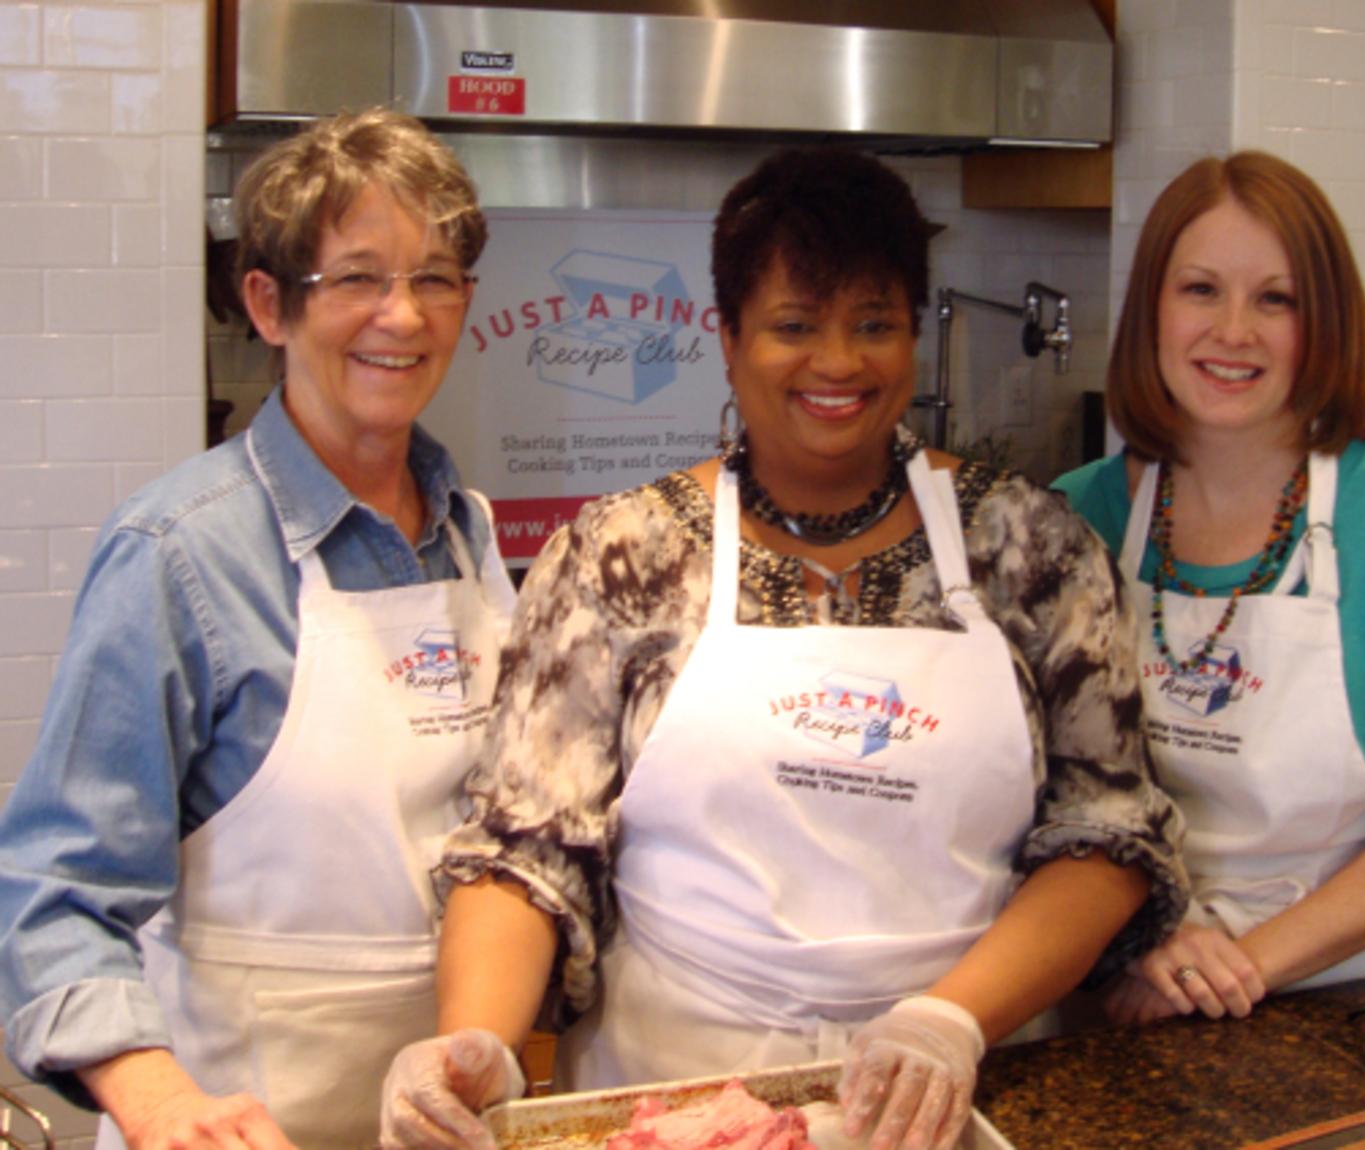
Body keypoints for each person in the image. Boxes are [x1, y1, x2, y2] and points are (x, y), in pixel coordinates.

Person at [378, 147, 1189, 1150]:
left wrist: (946, 1019)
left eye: (874, 324)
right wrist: (477, 1044)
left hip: (963, 1088)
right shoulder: (621, 554)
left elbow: (1105, 832)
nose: (838, 362)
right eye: (794, 325)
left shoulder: (1031, 550)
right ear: (726, 338)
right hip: (673, 1097)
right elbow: (527, 845)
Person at [0, 108, 515, 1149]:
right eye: (358, 277)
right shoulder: (178, 553)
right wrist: (161, 1105)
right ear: (269, 305)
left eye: (434, 277)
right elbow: (52, 901)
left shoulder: (468, 531)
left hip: (444, 1121)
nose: (402, 317)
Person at [1052, 151, 1365, 1026]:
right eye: (1199, 290)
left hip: (1349, 1002)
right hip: (1115, 993)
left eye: (1278, 299)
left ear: (1326, 323)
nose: (1234, 330)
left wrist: (1228, 972)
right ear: (1151, 306)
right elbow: (1035, 795)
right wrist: (1147, 944)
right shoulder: (1076, 519)